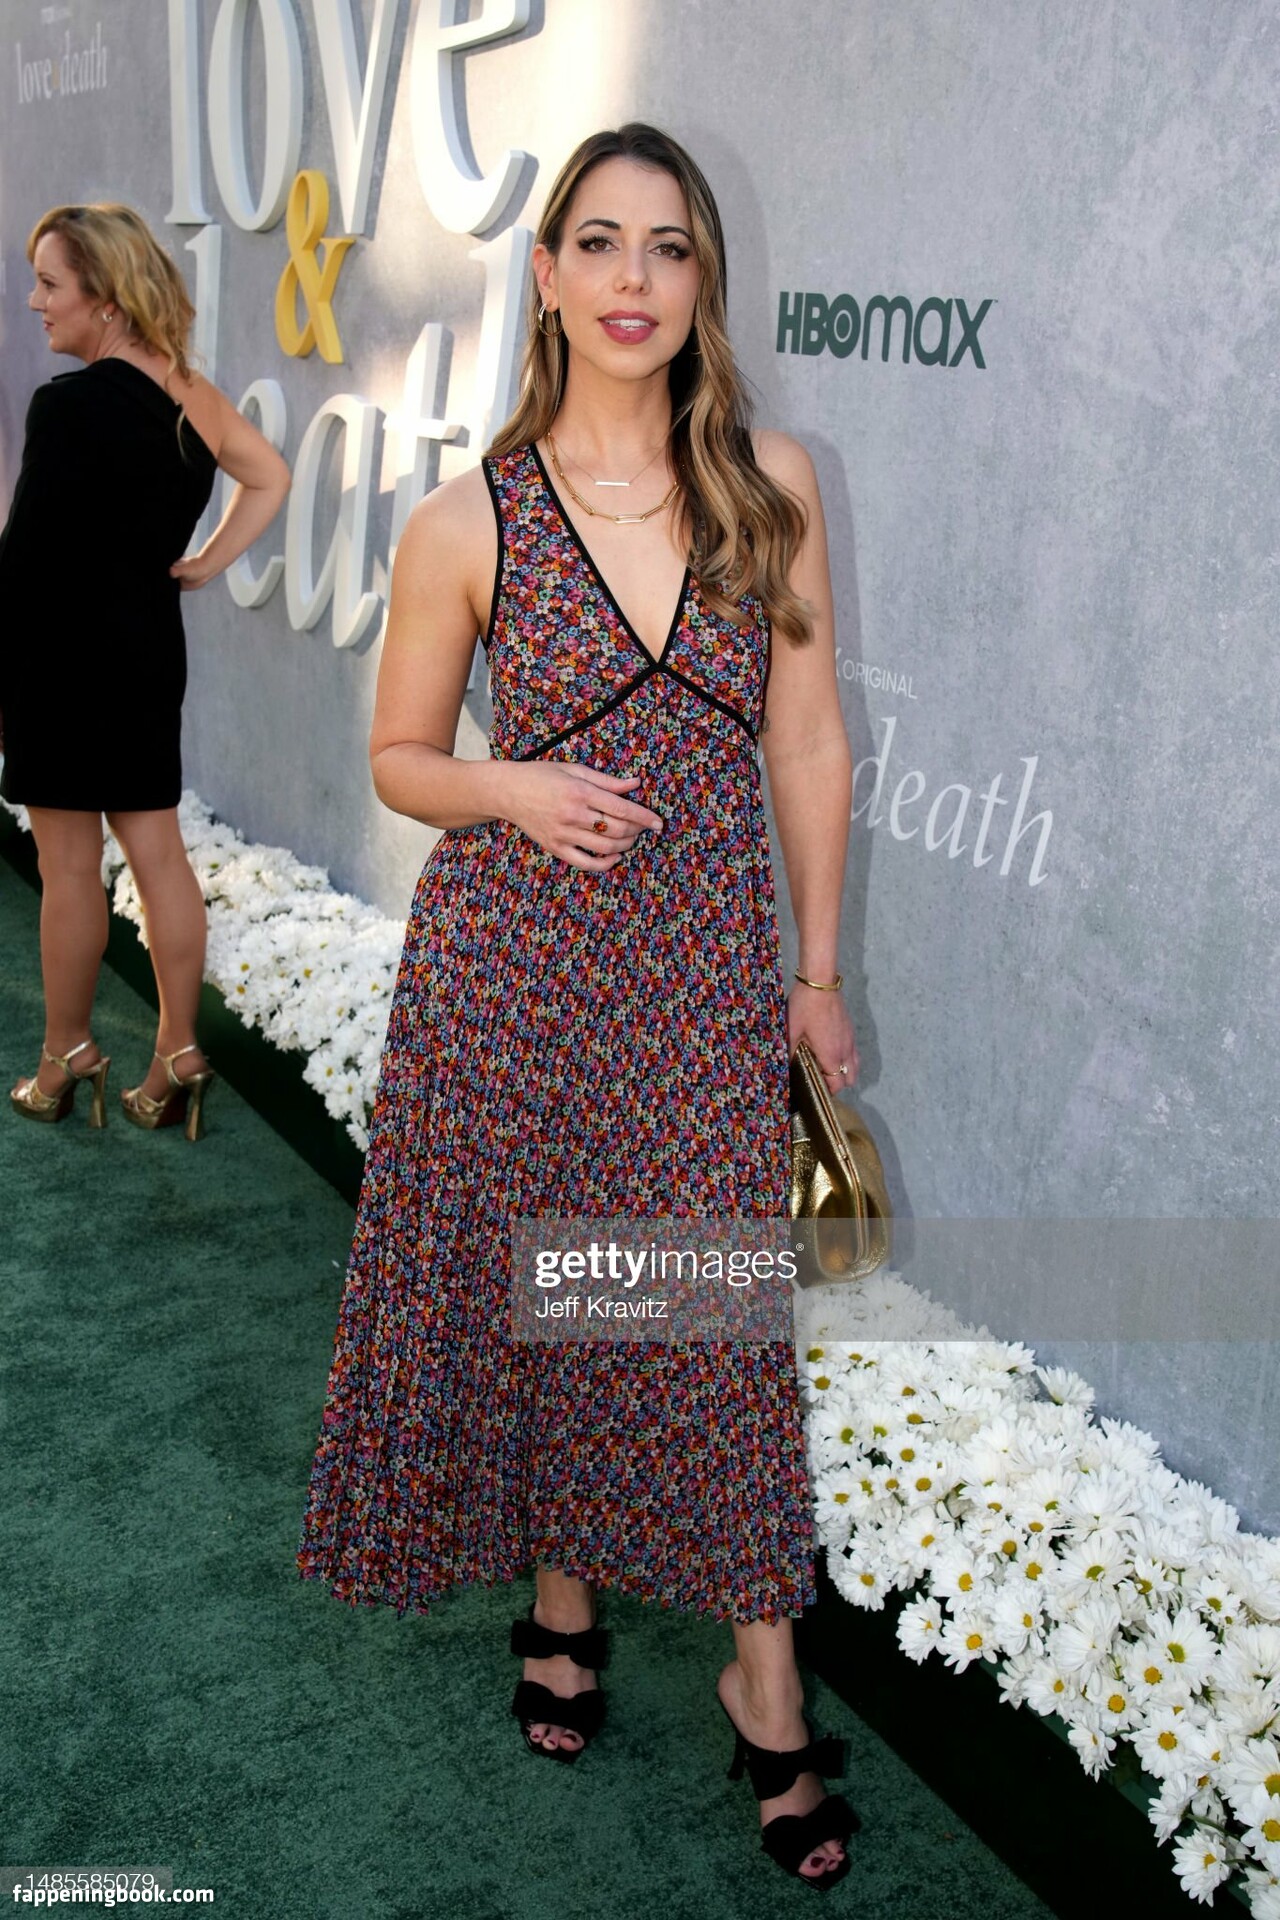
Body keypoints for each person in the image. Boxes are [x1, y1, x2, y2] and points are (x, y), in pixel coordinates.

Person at [297, 125, 860, 1889]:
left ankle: (764, 1670)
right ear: (545, 277)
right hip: (513, 975)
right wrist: (515, 788)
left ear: (703, 282)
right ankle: (560, 1594)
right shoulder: (468, 516)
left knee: (712, 1321)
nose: (633, 280)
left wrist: (816, 976)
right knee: (551, 1295)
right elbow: (401, 757)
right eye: (599, 244)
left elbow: (808, 744)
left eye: (668, 248)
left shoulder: (768, 483)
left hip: (699, 976)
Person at [2, 203, 290, 1141]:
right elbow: (271, 476)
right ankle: (177, 1053)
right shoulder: (191, 395)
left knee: (68, 866)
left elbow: (23, 560)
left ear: (107, 297)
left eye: (50, 284)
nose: (36, 302)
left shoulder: (64, 407)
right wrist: (204, 562)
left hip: (57, 661)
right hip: (146, 654)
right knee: (158, 853)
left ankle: (65, 1056)